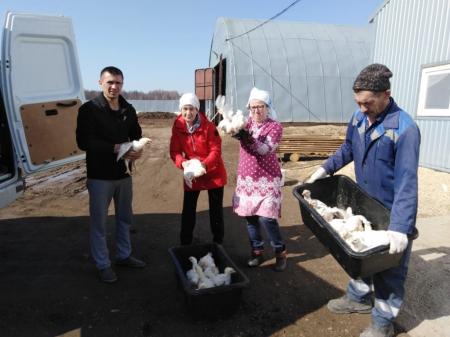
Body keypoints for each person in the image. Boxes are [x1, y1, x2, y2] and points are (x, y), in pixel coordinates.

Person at [306, 64, 420, 337]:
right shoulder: (358, 118)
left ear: (385, 95)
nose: (362, 108)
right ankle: (357, 299)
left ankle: (383, 324)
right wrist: (324, 169)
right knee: (361, 257)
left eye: (367, 103)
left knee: (389, 271)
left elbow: (407, 182)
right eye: (358, 103)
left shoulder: (404, 129)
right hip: (365, 202)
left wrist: (400, 228)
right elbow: (348, 148)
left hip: (392, 213)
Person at [76, 66, 147, 283]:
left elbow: (136, 134)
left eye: (118, 83)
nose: (114, 87)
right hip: (100, 176)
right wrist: (116, 148)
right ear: (100, 83)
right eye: (110, 82)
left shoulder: (128, 109)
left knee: (124, 219)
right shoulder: (90, 109)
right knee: (99, 223)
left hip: (123, 175)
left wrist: (135, 150)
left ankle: (124, 255)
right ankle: (103, 264)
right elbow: (84, 142)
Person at [232, 87, 287, 272]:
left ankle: (280, 252)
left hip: (267, 178)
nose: (256, 110)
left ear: (268, 107)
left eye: (260, 106)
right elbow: (231, 129)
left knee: (266, 218)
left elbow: (264, 149)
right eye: (253, 107)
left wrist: (247, 138)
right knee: (250, 218)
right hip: (247, 178)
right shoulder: (245, 123)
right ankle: (257, 251)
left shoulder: (275, 127)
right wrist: (231, 128)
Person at [170, 93, 227, 245]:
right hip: (192, 172)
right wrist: (182, 163)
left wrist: (204, 165)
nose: (188, 113)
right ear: (181, 109)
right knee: (188, 209)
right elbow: (174, 151)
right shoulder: (177, 127)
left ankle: (218, 242)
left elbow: (216, 151)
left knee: (216, 210)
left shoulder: (208, 127)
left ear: (197, 110)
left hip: (212, 171)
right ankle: (185, 242)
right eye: (185, 109)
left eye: (191, 109)